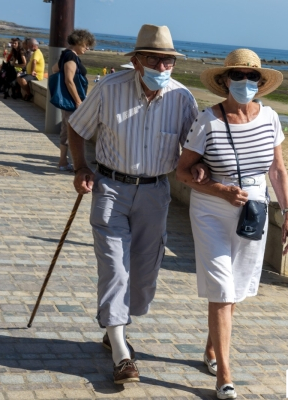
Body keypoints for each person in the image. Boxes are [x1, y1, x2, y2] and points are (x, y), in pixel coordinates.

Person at [67, 24, 204, 385]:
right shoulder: (109, 89)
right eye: (155, 60)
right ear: (137, 60)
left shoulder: (183, 98)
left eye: (169, 61)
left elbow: (195, 149)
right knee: (115, 270)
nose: (162, 68)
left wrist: (203, 169)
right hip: (110, 187)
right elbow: (77, 127)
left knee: (143, 279)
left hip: (156, 194)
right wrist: (81, 166)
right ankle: (121, 354)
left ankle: (116, 325)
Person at [176, 48, 288, 400]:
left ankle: (213, 348)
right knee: (222, 290)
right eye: (238, 76)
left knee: (236, 289)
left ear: (261, 82)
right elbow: (183, 170)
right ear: (225, 80)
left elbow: (277, 170)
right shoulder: (207, 120)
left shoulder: (271, 118)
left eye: (252, 77)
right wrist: (216, 188)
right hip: (212, 210)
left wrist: (287, 214)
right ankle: (224, 375)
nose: (246, 82)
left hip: (254, 210)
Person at [51, 29, 95, 172]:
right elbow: (69, 81)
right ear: (78, 42)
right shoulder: (71, 57)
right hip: (73, 101)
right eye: (86, 45)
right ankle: (71, 163)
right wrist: (77, 100)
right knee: (73, 131)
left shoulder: (65, 54)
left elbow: (54, 69)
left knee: (66, 129)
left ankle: (63, 162)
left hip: (69, 101)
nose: (87, 48)